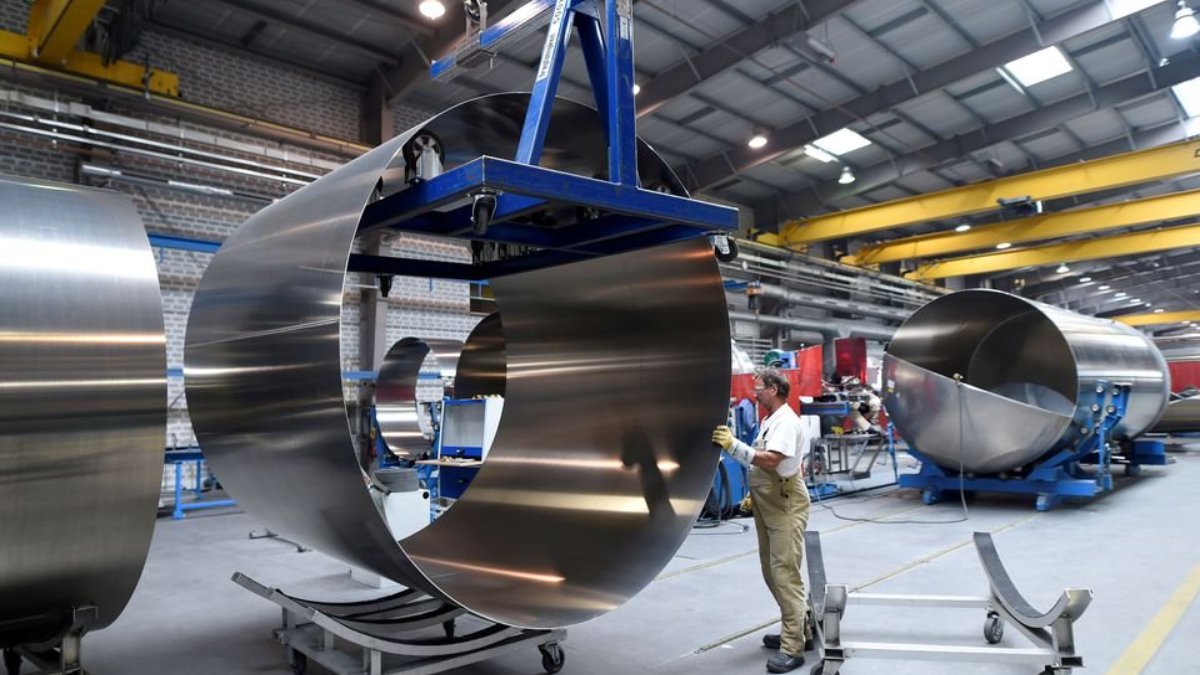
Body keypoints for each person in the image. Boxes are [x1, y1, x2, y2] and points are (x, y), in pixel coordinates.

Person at [712, 368, 813, 673]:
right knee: (771, 572)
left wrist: (733, 446)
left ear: (773, 389)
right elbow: (767, 462)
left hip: (785, 504)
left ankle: (793, 647)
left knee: (784, 574)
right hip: (769, 501)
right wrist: (754, 494)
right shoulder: (770, 420)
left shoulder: (785, 421)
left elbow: (771, 460)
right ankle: (801, 628)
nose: (754, 394)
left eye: (758, 389)